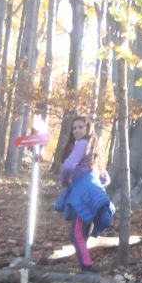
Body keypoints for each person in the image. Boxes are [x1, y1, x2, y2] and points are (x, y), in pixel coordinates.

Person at [54, 115, 114, 272]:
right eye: (74, 128)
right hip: (95, 193)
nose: (77, 130)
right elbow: (106, 178)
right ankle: (86, 264)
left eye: (81, 127)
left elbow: (68, 166)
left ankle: (87, 267)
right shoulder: (94, 150)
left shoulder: (82, 144)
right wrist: (94, 183)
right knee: (83, 232)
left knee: (76, 233)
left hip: (83, 194)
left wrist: (65, 182)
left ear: (88, 129)